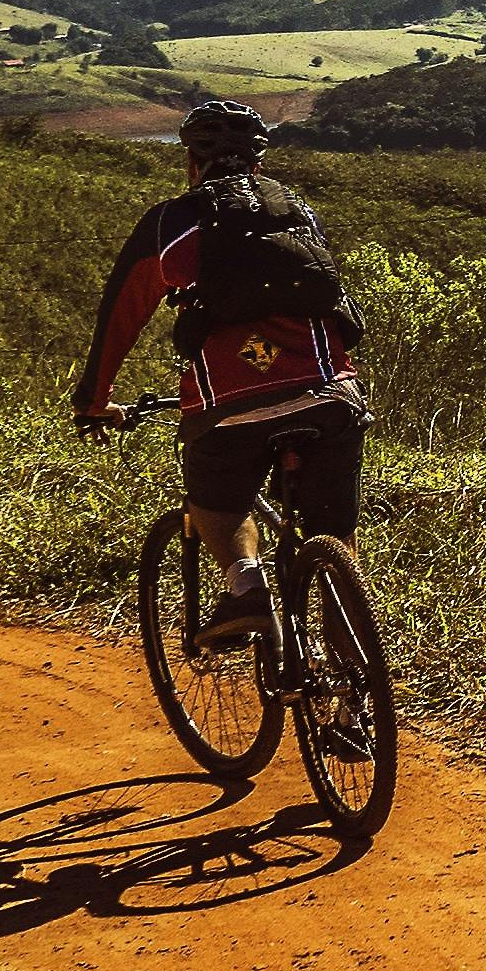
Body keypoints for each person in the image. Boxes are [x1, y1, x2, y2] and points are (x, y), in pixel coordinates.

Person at [72, 99, 369, 655]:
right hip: (331, 393)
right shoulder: (299, 212)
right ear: (258, 163)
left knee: (216, 499)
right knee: (337, 544)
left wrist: (96, 399)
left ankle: (247, 588)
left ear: (191, 165)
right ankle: (353, 707)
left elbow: (121, 315)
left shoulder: (170, 223)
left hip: (228, 403)